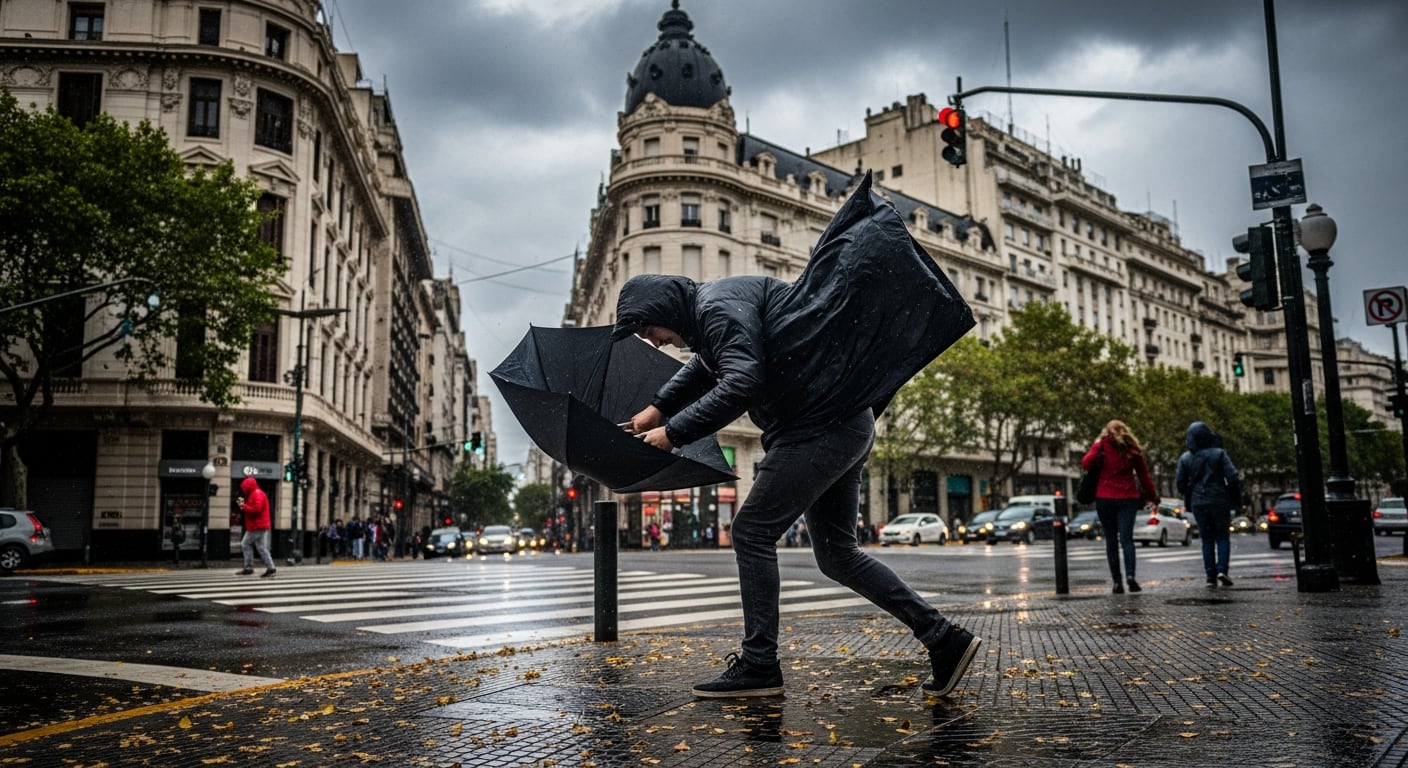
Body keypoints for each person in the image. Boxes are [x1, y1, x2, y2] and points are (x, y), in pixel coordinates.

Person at [612, 172, 978, 700]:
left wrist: (673, 433)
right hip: (843, 423)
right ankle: (944, 639)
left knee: (751, 533)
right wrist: (654, 410)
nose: (655, 341)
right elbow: (705, 366)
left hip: (818, 429)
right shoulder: (716, 310)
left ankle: (760, 664)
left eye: (650, 330)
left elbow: (741, 379)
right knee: (837, 555)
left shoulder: (716, 307)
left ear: (663, 308)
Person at [1081, 420, 1159, 594]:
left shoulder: (1101, 446)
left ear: (1107, 432)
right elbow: (1144, 475)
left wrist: (1097, 446)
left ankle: (1117, 582)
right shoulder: (1132, 450)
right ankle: (1130, 576)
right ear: (1125, 431)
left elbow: (1085, 463)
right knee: (1127, 539)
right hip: (1128, 498)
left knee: (1111, 541)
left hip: (1105, 498)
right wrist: (1153, 495)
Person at [1175, 421, 1242, 588]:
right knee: (1222, 536)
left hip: (1198, 502)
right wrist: (1233, 495)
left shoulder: (1185, 458)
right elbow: (1233, 477)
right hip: (1219, 500)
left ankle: (1210, 576)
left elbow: (1180, 484)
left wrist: (1189, 491)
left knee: (1207, 540)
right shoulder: (1219, 454)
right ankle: (1222, 570)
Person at [236, 476, 276, 578]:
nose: (244, 490)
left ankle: (248, 567)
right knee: (261, 547)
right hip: (260, 524)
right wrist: (244, 506)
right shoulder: (257, 493)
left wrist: (244, 506)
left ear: (249, 487)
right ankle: (271, 567)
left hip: (257, 525)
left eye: (245, 488)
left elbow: (257, 509)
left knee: (245, 543)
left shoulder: (256, 494)